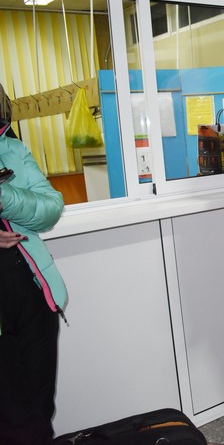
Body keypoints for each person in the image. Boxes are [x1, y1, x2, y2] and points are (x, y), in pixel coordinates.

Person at [0, 82, 67, 444]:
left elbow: (50, 207)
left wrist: (5, 197)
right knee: (13, 421)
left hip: (33, 295)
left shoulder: (11, 149)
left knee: (40, 410)